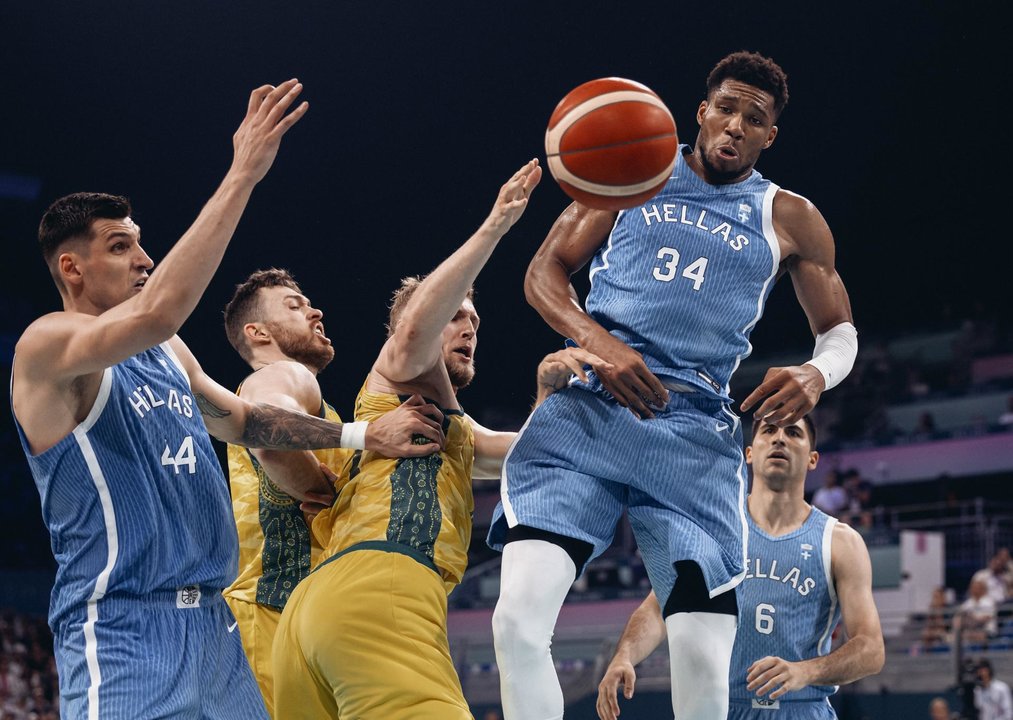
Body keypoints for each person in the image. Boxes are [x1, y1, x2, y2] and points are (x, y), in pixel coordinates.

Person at [9, 81, 444, 719]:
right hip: (127, 631)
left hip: (216, 633)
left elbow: (241, 421)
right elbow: (158, 311)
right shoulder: (46, 347)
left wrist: (358, 437)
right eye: (120, 246)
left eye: (139, 241)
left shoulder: (168, 352)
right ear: (72, 268)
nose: (144, 258)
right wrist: (242, 175)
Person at [489, 50, 858, 720]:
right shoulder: (633, 170)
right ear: (701, 110)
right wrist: (599, 345)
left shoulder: (789, 217)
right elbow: (543, 274)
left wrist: (814, 371)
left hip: (691, 432)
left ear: (769, 134)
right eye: (725, 108)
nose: (735, 126)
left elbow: (838, 332)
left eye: (754, 118)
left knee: (699, 655)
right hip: (590, 411)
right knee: (514, 624)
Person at [272, 159, 608, 719]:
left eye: (474, 320)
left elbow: (531, 457)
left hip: (313, 611)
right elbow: (413, 329)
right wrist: (496, 225)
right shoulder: (397, 376)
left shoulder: (451, 428)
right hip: (384, 590)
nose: (468, 326)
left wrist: (549, 391)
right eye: (455, 315)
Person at [219, 268, 447, 716]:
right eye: (294, 305)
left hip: (303, 620)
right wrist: (362, 441)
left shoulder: (323, 413)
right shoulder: (283, 374)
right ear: (257, 332)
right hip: (271, 611)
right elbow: (266, 430)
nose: (315, 309)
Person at [596, 415, 883, 719]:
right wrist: (624, 655)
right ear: (748, 452)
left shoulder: (840, 542)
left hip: (800, 709)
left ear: (812, 459)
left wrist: (806, 672)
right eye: (769, 430)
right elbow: (658, 608)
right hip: (720, 709)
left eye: (794, 433)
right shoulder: (713, 530)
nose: (779, 439)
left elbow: (871, 649)